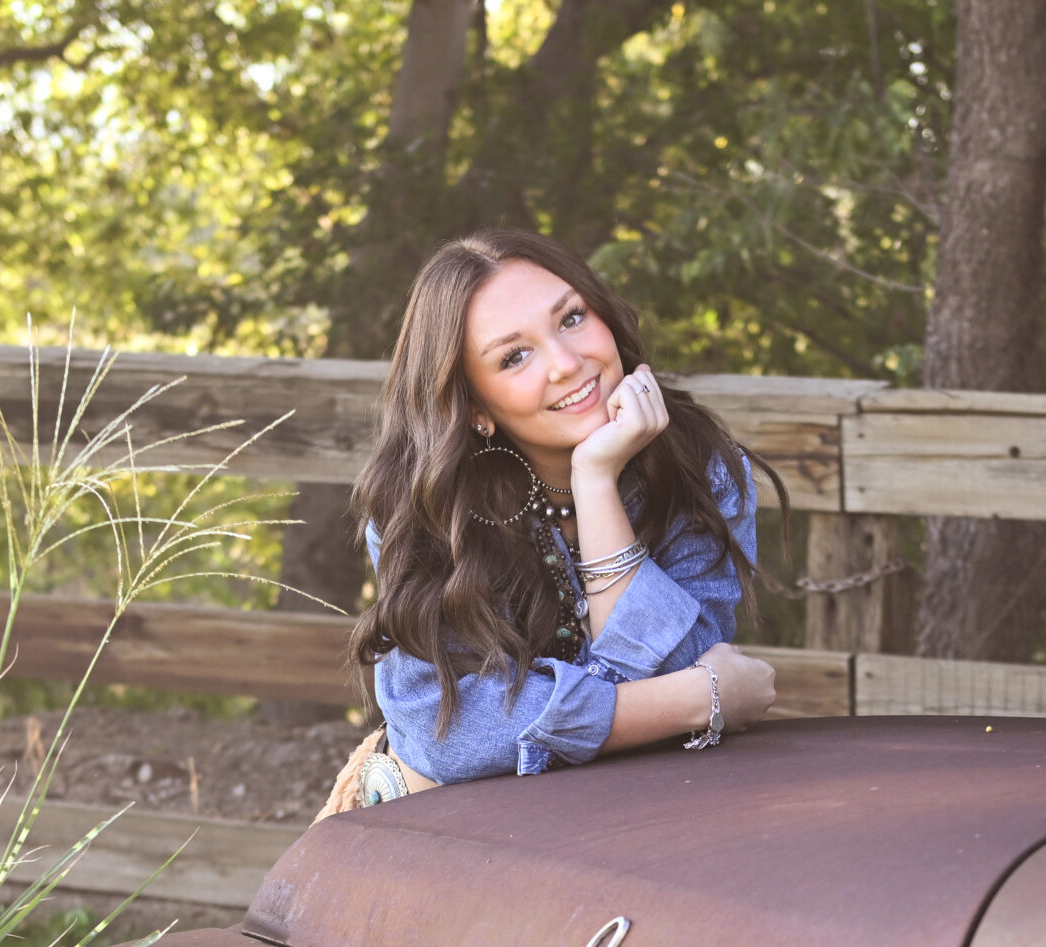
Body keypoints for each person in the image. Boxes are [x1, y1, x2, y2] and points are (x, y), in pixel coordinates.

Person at [321, 227, 780, 813]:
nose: (568, 363)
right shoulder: (426, 510)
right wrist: (698, 699)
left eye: (571, 319)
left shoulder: (701, 472)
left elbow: (678, 664)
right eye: (514, 357)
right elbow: (449, 737)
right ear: (477, 408)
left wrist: (596, 484)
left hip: (646, 818)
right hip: (452, 836)